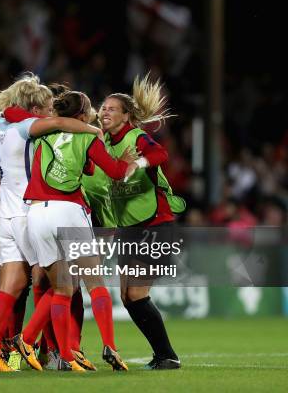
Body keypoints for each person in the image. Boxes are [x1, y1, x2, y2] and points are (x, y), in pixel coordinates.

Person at [12, 90, 147, 372]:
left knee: (61, 287)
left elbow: (10, 113)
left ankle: (42, 346)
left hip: (35, 213)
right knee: (95, 283)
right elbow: (114, 172)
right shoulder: (88, 137)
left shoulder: (41, 131)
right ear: (83, 115)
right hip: (67, 211)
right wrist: (129, 162)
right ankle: (110, 346)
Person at [0, 74, 105, 371]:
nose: (52, 111)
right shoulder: (27, 128)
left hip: (6, 215)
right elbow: (62, 124)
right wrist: (92, 130)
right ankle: (57, 352)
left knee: (11, 285)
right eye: (47, 106)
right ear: (34, 109)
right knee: (63, 283)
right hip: (28, 213)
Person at [99, 74, 185, 370]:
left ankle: (168, 355)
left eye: (112, 109)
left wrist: (139, 162)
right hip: (129, 228)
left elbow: (160, 153)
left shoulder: (136, 137)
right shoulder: (102, 143)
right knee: (126, 296)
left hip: (155, 224)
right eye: (103, 108)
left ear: (126, 116)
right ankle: (162, 354)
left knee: (136, 293)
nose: (105, 112)